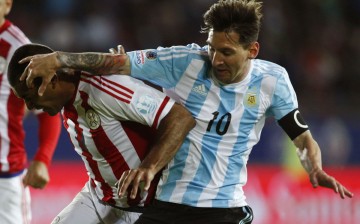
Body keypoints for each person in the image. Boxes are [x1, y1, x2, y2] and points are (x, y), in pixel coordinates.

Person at [18, 0, 354, 223]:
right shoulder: (186, 61)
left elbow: (302, 139)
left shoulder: (274, 81)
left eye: (226, 52)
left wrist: (315, 166)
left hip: (226, 207)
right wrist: (61, 58)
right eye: (211, 48)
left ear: (252, 50)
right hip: (169, 205)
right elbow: (116, 62)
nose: (216, 60)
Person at [8, 43, 195, 224]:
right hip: (99, 198)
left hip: (143, 207)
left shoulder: (103, 88)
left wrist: (148, 167)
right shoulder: (67, 99)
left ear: (53, 80)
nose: (30, 107)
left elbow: (180, 118)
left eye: (29, 97)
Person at [0, 1, 61, 223]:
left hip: (4, 178)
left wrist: (43, 159)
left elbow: (48, 109)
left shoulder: (18, 49)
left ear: (7, 5)